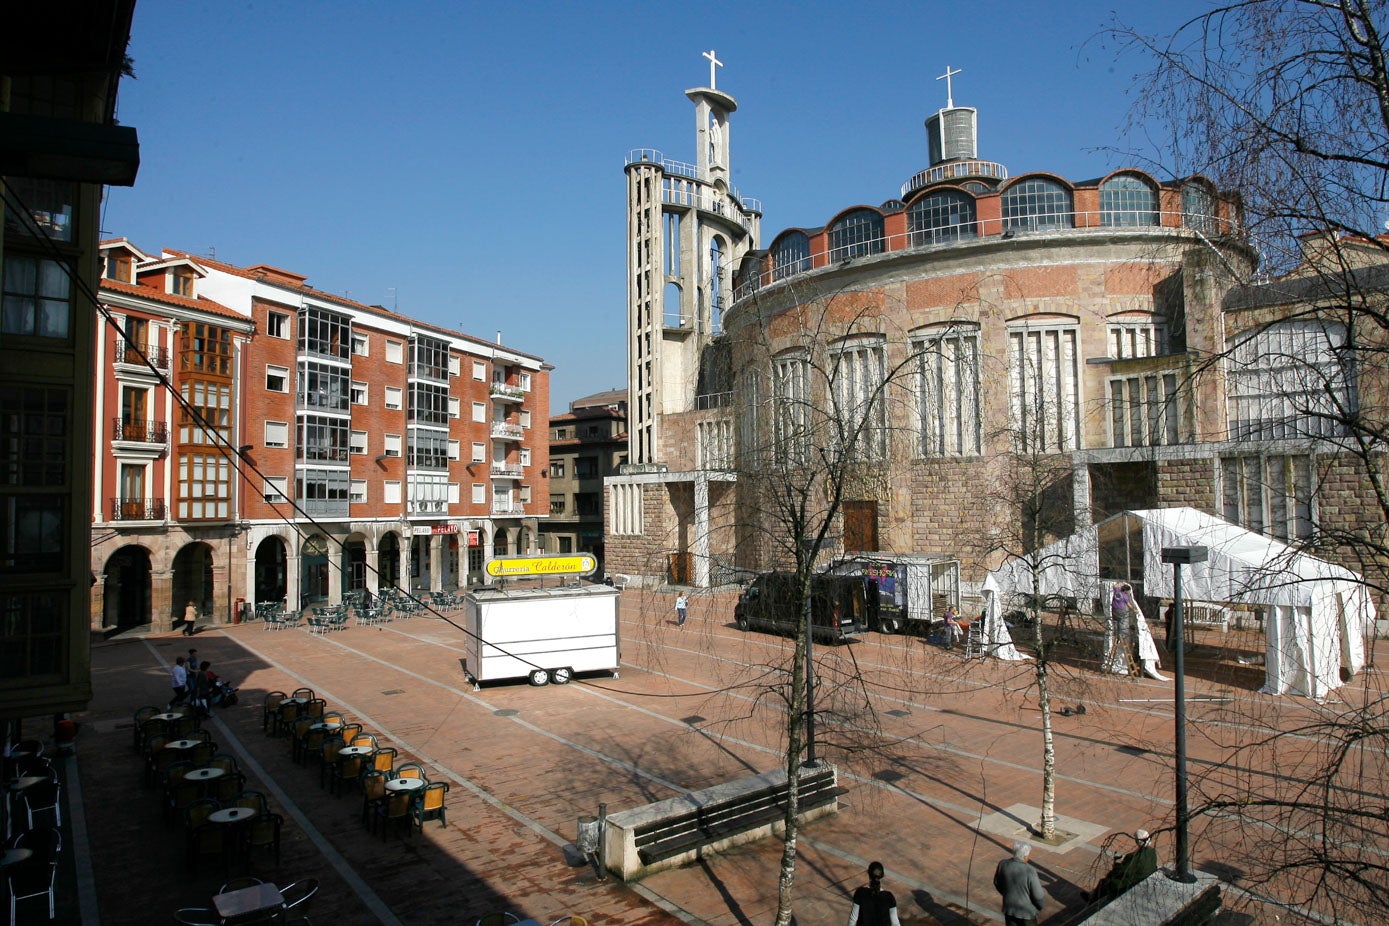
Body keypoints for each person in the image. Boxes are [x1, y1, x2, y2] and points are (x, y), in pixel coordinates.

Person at [1089, 829, 1159, 903]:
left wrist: (1116, 863)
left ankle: (1092, 901)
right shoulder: (1152, 851)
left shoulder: (1132, 857)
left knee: (1105, 882)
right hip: (1145, 877)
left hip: (1132, 882)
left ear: (1137, 841)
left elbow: (1122, 871)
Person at [994, 841, 1045, 926]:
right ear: (1025, 857)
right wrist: (1039, 906)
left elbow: (997, 882)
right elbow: (1038, 896)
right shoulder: (1030, 871)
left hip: (1009, 909)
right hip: (1027, 914)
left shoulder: (1003, 864)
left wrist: (1007, 894)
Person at [846, 860, 901, 926]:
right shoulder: (889, 897)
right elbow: (895, 922)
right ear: (882, 875)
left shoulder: (860, 893)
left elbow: (853, 919)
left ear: (868, 874)